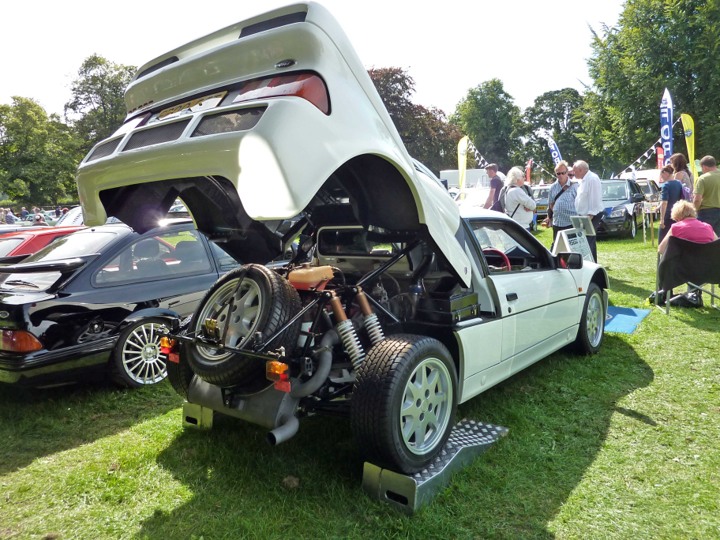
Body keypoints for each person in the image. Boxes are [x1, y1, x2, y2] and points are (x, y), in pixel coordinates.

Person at [573, 160, 604, 262]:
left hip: (591, 215)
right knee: (586, 241)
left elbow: (594, 198)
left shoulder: (592, 179)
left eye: (574, 171)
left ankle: (589, 264)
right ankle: (592, 263)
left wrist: (590, 216)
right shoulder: (583, 180)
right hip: (584, 215)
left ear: (581, 170)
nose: (573, 173)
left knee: (588, 241)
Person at [543, 160, 578, 250]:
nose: (561, 175)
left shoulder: (575, 186)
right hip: (557, 223)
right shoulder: (553, 187)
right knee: (558, 248)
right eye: (558, 173)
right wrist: (549, 217)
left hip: (571, 223)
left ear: (567, 173)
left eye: (563, 173)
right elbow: (550, 204)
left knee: (572, 248)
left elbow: (580, 204)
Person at [502, 167, 536, 231]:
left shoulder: (509, 189)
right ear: (517, 179)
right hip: (521, 226)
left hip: (515, 223)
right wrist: (530, 207)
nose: (524, 178)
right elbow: (533, 205)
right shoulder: (517, 191)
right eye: (523, 176)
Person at [693, 155, 720, 236]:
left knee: (703, 237)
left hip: (707, 212)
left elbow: (697, 199)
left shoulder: (703, 178)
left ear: (704, 167)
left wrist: (694, 211)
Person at [658, 165, 685, 242]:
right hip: (677, 214)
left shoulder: (666, 185)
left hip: (668, 215)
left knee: (663, 239)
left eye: (661, 174)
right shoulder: (679, 183)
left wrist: (662, 219)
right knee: (676, 237)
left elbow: (664, 202)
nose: (661, 177)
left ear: (665, 173)